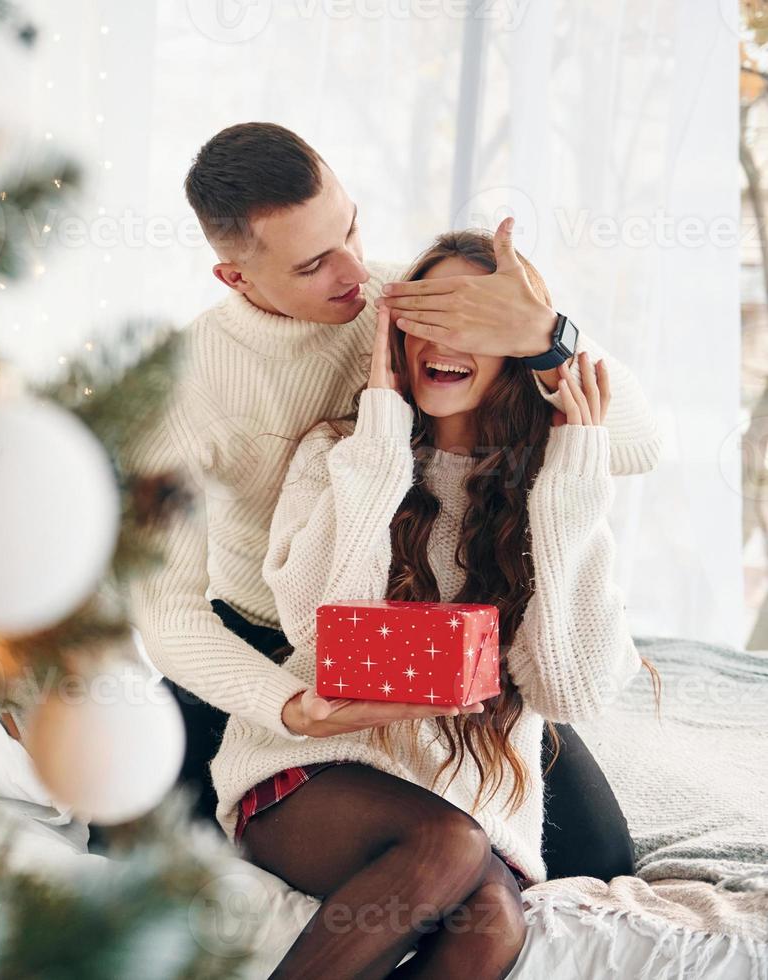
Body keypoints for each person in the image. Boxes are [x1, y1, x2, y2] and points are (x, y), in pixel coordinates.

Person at [126, 123, 657, 883]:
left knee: (597, 862)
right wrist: (288, 705)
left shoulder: (405, 300)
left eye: (350, 228)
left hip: (432, 633)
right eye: (313, 264)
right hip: (275, 641)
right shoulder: (181, 385)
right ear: (236, 279)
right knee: (152, 864)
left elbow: (635, 445)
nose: (357, 272)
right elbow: (168, 611)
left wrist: (546, 335)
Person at [213, 230, 654, 977]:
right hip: (321, 775)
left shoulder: (555, 481)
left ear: (514, 345)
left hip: (467, 803)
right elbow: (322, 633)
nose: (445, 340)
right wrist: (381, 432)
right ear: (395, 331)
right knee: (450, 845)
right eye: (429, 318)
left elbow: (567, 689)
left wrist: (572, 484)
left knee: (491, 924)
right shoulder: (338, 453)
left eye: (473, 323)